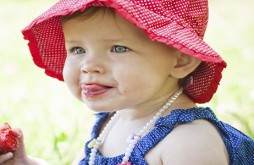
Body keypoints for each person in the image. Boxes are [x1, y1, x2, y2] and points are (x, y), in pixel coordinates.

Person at [1, 0, 254, 164]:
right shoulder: (111, 122)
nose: (89, 65)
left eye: (118, 48)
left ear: (180, 61)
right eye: (78, 50)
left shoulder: (190, 141)